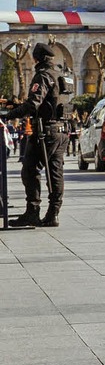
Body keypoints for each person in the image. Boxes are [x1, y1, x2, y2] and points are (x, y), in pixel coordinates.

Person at [0, 43, 67, 227]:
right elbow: (46, 104)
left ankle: (33, 211)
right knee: (55, 173)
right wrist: (15, 105)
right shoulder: (57, 74)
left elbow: (33, 105)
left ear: (37, 58)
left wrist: (8, 115)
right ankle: (53, 213)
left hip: (45, 132)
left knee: (29, 169)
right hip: (59, 130)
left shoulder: (43, 75)